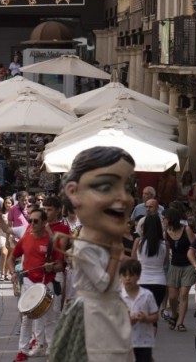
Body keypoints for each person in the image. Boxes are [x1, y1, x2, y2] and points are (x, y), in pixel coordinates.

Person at [49, 146, 135, 362]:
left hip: (109, 313)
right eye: (106, 186)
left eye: (128, 187)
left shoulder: (95, 243)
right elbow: (102, 284)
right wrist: (115, 255)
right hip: (95, 317)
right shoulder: (85, 247)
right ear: (73, 192)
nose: (123, 198)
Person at [12, 207, 60, 361]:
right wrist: (13, 272)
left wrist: (52, 266)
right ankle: (23, 350)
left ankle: (52, 351)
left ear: (44, 222)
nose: (32, 223)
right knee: (26, 318)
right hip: (28, 281)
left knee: (49, 319)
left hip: (47, 282)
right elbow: (12, 257)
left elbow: (60, 264)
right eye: (30, 220)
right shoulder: (25, 238)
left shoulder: (52, 241)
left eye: (36, 221)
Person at [119, 259, 158, 362]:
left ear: (138, 276)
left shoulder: (146, 295)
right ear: (120, 277)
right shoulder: (118, 297)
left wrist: (146, 318)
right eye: (124, 275)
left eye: (131, 275)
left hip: (144, 342)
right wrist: (127, 320)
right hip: (123, 342)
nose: (128, 278)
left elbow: (155, 315)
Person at [163, 207, 195, 332]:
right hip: (174, 265)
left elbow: (194, 247)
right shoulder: (166, 233)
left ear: (170, 219)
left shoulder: (186, 229)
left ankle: (180, 322)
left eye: (164, 218)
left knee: (183, 294)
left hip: (188, 265)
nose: (163, 220)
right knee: (172, 297)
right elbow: (166, 250)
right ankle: (174, 314)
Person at [131, 214, 168, 312]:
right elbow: (165, 261)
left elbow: (133, 261)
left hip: (141, 281)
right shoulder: (164, 244)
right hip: (160, 282)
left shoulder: (138, 242)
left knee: (142, 314)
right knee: (154, 315)